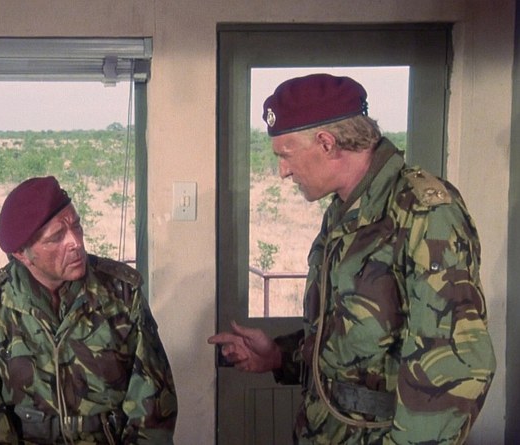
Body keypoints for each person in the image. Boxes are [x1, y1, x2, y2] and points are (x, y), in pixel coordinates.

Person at [208, 73, 496, 444]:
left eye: (285, 155)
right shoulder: (344, 211)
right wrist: (278, 357)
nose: (282, 171)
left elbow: (456, 366)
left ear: (326, 143)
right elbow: (353, 342)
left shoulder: (424, 213)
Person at [0, 176, 177, 445]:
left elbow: (153, 405)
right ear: (23, 254)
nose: (75, 242)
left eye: (76, 226)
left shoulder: (122, 294)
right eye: (57, 237)